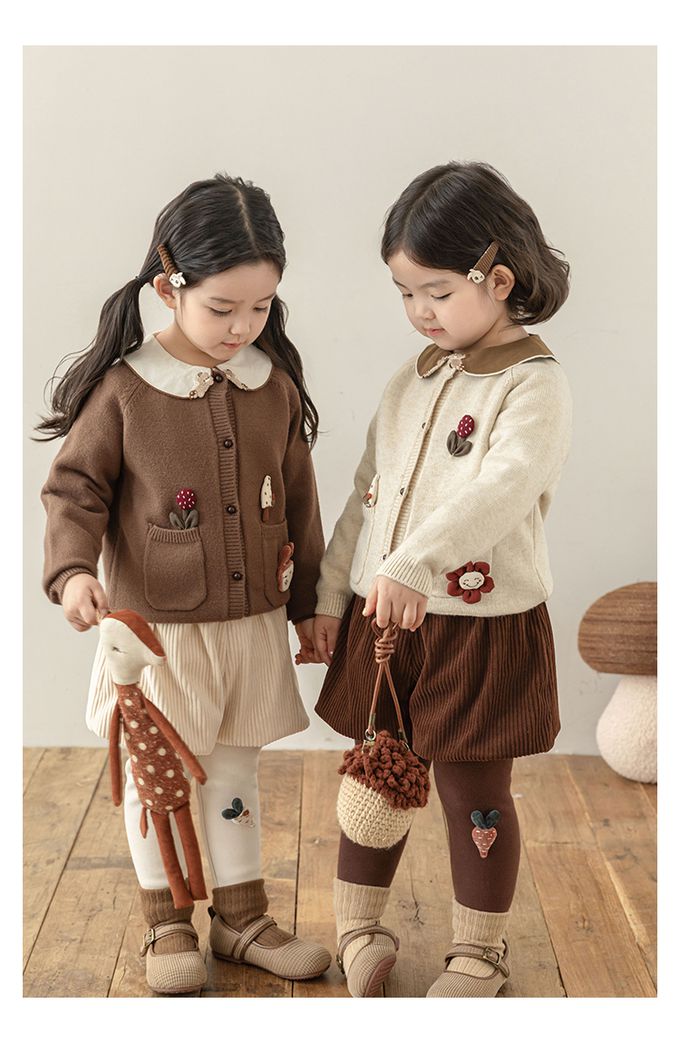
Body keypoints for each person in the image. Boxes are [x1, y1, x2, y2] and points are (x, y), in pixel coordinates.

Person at [38, 174, 331, 995]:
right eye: (222, 308)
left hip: (249, 627)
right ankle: (165, 919)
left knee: (233, 773)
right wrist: (70, 573)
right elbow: (73, 490)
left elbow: (300, 503)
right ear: (169, 287)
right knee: (158, 776)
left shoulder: (271, 386)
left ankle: (241, 918)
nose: (243, 327)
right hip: (155, 635)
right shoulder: (126, 390)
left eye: (261, 307)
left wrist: (312, 606)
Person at [313, 160, 573, 998]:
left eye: (436, 291)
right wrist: (331, 595)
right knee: (375, 774)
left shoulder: (535, 386)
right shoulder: (413, 378)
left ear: (498, 279)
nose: (420, 311)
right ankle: (358, 924)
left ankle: (479, 951)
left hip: (479, 625)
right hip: (386, 618)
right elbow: (367, 491)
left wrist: (415, 562)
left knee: (474, 791)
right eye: (404, 293)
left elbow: (503, 486)